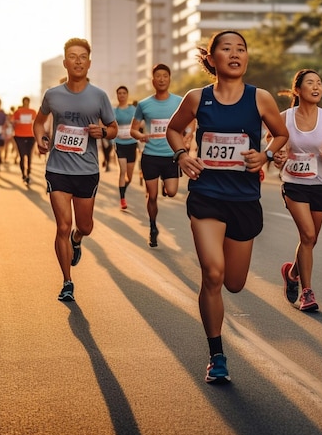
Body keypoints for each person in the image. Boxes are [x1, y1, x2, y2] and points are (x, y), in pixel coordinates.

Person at [166, 30, 288, 384]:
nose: (235, 54)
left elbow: (281, 135)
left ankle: (218, 336)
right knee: (213, 274)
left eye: (241, 49)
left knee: (234, 283)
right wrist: (183, 154)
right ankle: (216, 354)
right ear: (213, 59)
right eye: (226, 49)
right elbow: (174, 131)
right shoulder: (196, 97)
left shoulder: (260, 99)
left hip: (244, 200)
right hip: (206, 195)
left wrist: (264, 154)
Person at [33, 38, 117, 302]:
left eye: (83, 57)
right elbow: (39, 122)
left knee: (84, 225)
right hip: (58, 169)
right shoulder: (52, 94)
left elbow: (113, 128)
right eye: (73, 56)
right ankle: (67, 281)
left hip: (86, 171)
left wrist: (103, 131)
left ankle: (77, 239)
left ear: (89, 63)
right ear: (65, 62)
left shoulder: (99, 96)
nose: (78, 61)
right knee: (61, 227)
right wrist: (40, 138)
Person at [272, 69, 322, 312]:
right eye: (310, 83)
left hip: (321, 183)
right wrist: (278, 157)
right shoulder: (284, 117)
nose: (316, 87)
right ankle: (307, 292)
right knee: (308, 235)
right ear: (297, 90)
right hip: (294, 183)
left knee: (311, 240)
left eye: (319, 83)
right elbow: (273, 145)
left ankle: (292, 273)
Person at [131, 64, 183, 247]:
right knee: (151, 196)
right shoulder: (144, 105)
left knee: (172, 191)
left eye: (165, 76)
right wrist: (141, 135)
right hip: (151, 156)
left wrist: (189, 133)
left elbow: (191, 121)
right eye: (158, 76)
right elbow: (133, 130)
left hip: (172, 155)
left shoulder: (179, 101)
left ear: (169, 79)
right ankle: (153, 226)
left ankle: (165, 184)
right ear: (152, 81)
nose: (161, 79)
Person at [113, 85, 138, 210]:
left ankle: (124, 188)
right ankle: (122, 198)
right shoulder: (114, 111)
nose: (122, 95)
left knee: (129, 176)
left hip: (132, 144)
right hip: (120, 144)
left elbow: (140, 122)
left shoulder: (133, 109)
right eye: (119, 93)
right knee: (122, 171)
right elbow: (111, 126)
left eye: (124, 93)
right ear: (117, 96)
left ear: (127, 95)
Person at [13, 96, 37, 186]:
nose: (26, 103)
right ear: (23, 102)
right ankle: (23, 174)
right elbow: (13, 122)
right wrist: (17, 122)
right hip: (19, 135)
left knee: (29, 156)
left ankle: (29, 174)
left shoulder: (33, 112)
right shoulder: (18, 112)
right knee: (22, 156)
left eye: (27, 102)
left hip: (31, 136)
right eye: (25, 102)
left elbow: (36, 122)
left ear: (29, 102)